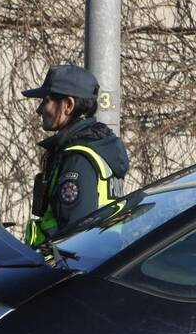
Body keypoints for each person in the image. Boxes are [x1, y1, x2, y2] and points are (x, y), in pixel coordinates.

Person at [22, 64, 129, 246]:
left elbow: (75, 239)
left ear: (68, 105)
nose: (39, 110)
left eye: (46, 100)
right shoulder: (96, 146)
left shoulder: (79, 160)